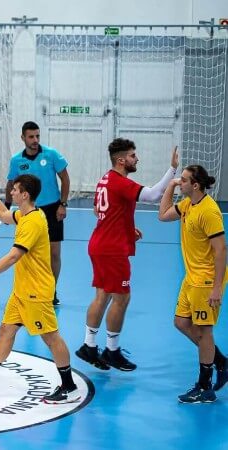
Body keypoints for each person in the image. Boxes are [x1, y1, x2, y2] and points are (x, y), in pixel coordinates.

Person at [0, 166, 79, 404]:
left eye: (15, 189)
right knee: (6, 330)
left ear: (25, 194)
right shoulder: (24, 215)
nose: (11, 192)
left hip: (36, 292)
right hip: (22, 291)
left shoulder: (32, 222)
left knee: (51, 338)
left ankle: (69, 387)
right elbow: (3, 215)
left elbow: (14, 256)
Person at [76, 140, 179, 372]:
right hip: (112, 250)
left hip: (100, 244)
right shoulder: (120, 182)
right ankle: (111, 351)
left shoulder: (105, 179)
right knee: (122, 298)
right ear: (121, 160)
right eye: (133, 156)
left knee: (102, 295)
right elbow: (153, 195)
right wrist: (172, 170)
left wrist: (125, 228)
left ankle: (88, 346)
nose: (137, 159)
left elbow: (98, 210)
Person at [158, 165, 228, 403]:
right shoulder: (189, 204)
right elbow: (163, 215)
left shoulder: (209, 212)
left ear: (195, 185)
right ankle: (221, 362)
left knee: (204, 331)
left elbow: (221, 250)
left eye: (184, 180)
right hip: (191, 278)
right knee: (181, 322)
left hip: (206, 280)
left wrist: (216, 287)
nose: (181, 182)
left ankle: (205, 387)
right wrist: (170, 185)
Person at [5, 122, 70, 306]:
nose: (35, 140)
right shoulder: (17, 160)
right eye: (31, 137)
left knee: (54, 253)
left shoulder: (51, 154)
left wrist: (63, 204)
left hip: (52, 209)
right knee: (27, 254)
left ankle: (51, 290)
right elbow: (11, 183)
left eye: (37, 136)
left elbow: (65, 178)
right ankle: (30, 289)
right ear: (23, 138)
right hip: (29, 211)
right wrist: (7, 205)